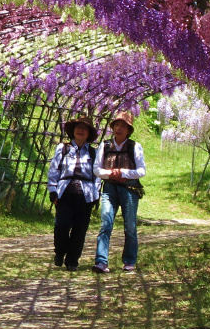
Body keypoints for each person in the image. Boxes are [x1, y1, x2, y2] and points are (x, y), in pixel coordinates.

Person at [93, 112, 147, 273]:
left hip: (129, 189)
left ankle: (129, 261)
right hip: (109, 188)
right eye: (117, 124)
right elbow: (96, 169)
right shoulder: (105, 145)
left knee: (129, 226)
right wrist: (111, 174)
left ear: (129, 130)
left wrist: (122, 173)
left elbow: (141, 171)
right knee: (106, 223)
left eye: (123, 125)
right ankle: (101, 261)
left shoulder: (134, 146)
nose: (119, 128)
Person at [46, 116, 101, 271]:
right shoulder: (63, 148)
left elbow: (97, 175)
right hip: (65, 191)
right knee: (61, 225)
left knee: (80, 228)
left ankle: (72, 261)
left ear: (89, 133)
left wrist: (96, 195)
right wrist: (53, 190)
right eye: (78, 127)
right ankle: (60, 252)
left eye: (85, 128)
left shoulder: (93, 152)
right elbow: (54, 170)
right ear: (73, 131)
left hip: (86, 193)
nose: (81, 130)